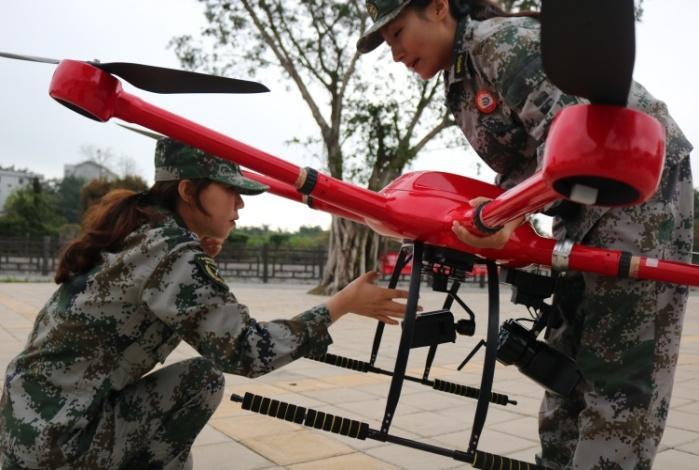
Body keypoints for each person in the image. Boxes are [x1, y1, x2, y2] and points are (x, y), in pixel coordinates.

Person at [357, 1, 693, 469]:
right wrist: (499, 214)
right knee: (566, 369)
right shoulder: (460, 83)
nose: (393, 53)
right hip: (577, 206)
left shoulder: (499, 42)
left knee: (618, 374)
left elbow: (578, 137)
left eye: (396, 34)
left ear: (437, 8)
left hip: (635, 190)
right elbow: (523, 169)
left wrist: (508, 215)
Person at [0, 138, 410, 470]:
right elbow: (249, 351)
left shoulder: (141, 231)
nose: (240, 205)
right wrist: (341, 304)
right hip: (64, 446)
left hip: (26, 430)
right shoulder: (172, 251)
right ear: (188, 191)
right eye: (231, 190)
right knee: (202, 380)